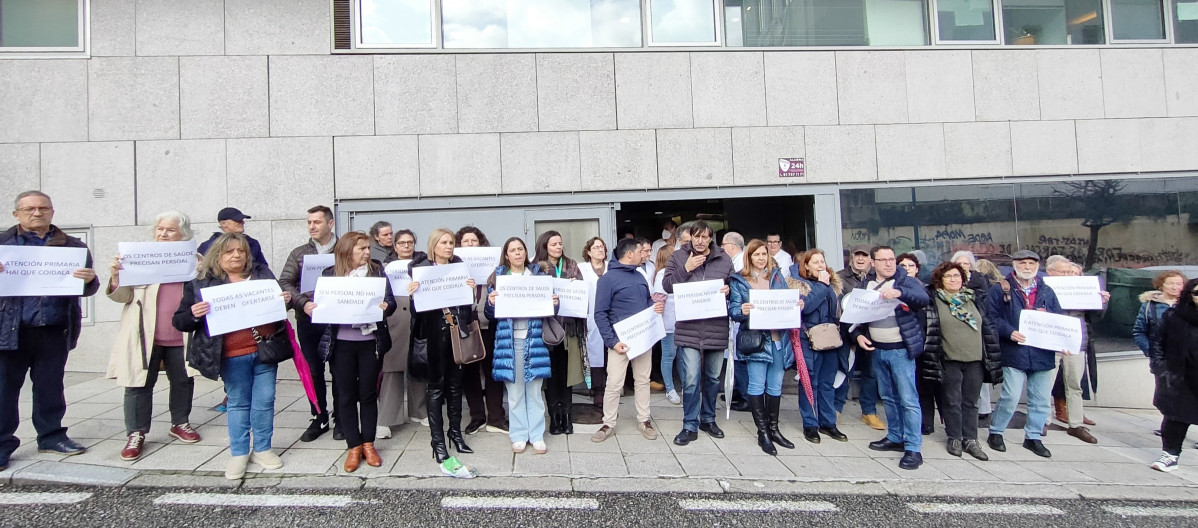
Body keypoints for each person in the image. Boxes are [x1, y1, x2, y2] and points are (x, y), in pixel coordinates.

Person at [173, 233, 291, 480]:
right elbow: (180, 321)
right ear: (217, 255)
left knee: (266, 400)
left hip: (264, 350)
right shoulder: (202, 283)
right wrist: (194, 313)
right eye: (229, 251)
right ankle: (238, 452)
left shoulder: (262, 275)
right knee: (238, 402)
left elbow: (279, 308)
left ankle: (262, 448)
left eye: (241, 251)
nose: (236, 255)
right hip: (231, 354)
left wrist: (285, 301)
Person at [0, 191, 99, 471]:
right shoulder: (3, 244)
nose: (37, 213)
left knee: (50, 387)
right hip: (11, 329)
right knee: (4, 390)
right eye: (29, 208)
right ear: (16, 214)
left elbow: (87, 288)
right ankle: (2, 444)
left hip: (54, 328)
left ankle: (51, 436)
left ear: (52, 212)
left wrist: (89, 280)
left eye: (43, 208)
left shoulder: (73, 246)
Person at [107, 211, 202, 461]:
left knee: (182, 380)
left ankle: (180, 423)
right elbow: (123, 297)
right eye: (160, 229)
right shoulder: (138, 257)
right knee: (138, 383)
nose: (163, 234)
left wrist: (203, 272)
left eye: (170, 230)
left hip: (179, 333)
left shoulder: (194, 260)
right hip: (145, 335)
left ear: (184, 234)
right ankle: (136, 432)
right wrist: (117, 277)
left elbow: (206, 291)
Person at [308, 232, 396, 472]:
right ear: (347, 251)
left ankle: (369, 443)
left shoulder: (376, 271)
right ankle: (353, 446)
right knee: (345, 396)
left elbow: (391, 302)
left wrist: (387, 306)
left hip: (370, 342)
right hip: (341, 345)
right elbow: (320, 305)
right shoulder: (330, 275)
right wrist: (315, 306)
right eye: (361, 249)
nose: (367, 252)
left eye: (368, 248)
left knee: (368, 394)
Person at [406, 228, 476, 478]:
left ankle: (455, 433)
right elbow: (417, 315)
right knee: (435, 388)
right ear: (434, 245)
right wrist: (414, 295)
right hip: (434, 336)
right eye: (444, 242)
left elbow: (467, 308)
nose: (449, 246)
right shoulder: (421, 270)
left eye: (451, 243)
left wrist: (470, 291)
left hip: (456, 334)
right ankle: (438, 443)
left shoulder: (459, 267)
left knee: (456, 386)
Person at [852, 246, 930, 471]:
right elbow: (853, 317)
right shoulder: (865, 284)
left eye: (891, 259)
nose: (888, 263)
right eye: (883, 260)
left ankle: (913, 448)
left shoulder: (905, 281)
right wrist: (857, 336)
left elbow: (923, 298)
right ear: (872, 263)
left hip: (900, 349)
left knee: (908, 398)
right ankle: (895, 436)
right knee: (888, 397)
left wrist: (900, 293)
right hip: (877, 349)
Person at [984, 250, 1063, 459]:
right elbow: (990, 317)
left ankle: (1033, 437)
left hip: (1042, 352)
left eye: (1031, 263)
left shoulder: (1047, 291)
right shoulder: (1001, 288)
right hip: (1014, 351)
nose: (1027, 267)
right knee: (1010, 396)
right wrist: (1008, 332)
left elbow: (1060, 319)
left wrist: (1050, 320)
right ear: (1015, 265)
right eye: (1023, 263)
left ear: (1037, 266)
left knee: (1041, 399)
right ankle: (996, 431)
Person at [919, 262, 1001, 461]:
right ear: (940, 280)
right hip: (949, 359)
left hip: (975, 359)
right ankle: (954, 437)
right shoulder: (934, 301)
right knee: (952, 401)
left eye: (956, 276)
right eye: (948, 276)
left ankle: (971, 439)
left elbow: (988, 327)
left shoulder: (975, 299)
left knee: (971, 402)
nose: (953, 279)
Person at [663, 220, 734, 446]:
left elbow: (736, 287)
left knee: (713, 378)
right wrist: (687, 268)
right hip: (689, 328)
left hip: (716, 326)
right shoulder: (678, 257)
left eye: (705, 237)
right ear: (690, 237)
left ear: (711, 238)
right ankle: (689, 425)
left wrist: (730, 290)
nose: (700, 241)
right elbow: (666, 285)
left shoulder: (724, 258)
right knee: (691, 379)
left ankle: (708, 419)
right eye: (696, 236)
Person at [592, 238, 665, 444]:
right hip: (619, 342)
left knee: (642, 381)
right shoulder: (607, 280)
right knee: (614, 384)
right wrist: (612, 342)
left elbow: (647, 301)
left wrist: (655, 306)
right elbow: (600, 314)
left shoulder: (641, 275)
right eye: (641, 251)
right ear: (630, 254)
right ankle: (608, 423)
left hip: (643, 339)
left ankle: (644, 419)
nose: (644, 254)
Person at [485, 237, 553, 454]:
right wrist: (490, 303)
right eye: (512, 250)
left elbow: (549, 311)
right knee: (514, 392)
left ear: (526, 252)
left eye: (520, 249)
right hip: (509, 342)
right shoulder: (498, 278)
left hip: (534, 341)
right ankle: (519, 434)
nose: (517, 253)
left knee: (534, 390)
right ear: (506, 255)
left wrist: (554, 303)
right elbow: (489, 315)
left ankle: (536, 434)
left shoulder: (538, 277)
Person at [278, 205, 339, 442]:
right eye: (309, 222)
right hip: (308, 319)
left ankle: (342, 417)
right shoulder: (299, 253)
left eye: (317, 222)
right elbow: (285, 281)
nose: (312, 226)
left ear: (330, 223)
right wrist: (302, 303)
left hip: (336, 319)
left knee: (339, 369)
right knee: (313, 370)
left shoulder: (344, 247)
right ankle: (319, 416)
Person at [729, 239, 795, 455]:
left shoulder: (776, 277)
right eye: (756, 254)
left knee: (775, 386)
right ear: (749, 257)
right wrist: (743, 311)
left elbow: (786, 303)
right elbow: (734, 311)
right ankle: (763, 432)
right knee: (757, 385)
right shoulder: (739, 280)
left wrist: (796, 305)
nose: (760, 258)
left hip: (778, 340)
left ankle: (774, 429)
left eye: (763, 254)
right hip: (757, 341)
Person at [790, 249, 848, 443]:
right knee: (809, 382)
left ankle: (828, 422)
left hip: (830, 339)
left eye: (822, 261)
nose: (820, 265)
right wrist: (822, 286)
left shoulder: (833, 286)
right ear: (806, 265)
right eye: (815, 262)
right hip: (808, 340)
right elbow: (807, 307)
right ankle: (810, 424)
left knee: (827, 383)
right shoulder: (797, 285)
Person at [533, 230, 586, 436]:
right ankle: (554, 418)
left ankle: (567, 417)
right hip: (545, 327)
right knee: (550, 375)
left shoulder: (572, 265)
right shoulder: (536, 266)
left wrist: (576, 289)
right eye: (554, 244)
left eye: (560, 243)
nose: (558, 247)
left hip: (568, 327)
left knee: (566, 374)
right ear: (545, 245)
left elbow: (581, 292)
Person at [1044, 255, 1100, 444]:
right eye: (1063, 272)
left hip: (1077, 341)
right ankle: (1042, 420)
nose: (1068, 275)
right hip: (1051, 341)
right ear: (1050, 272)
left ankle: (1075, 423)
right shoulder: (1043, 288)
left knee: (1075, 384)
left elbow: (1095, 317)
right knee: (1046, 381)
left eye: (1070, 272)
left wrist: (1102, 301)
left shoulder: (1080, 288)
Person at [378, 229, 428, 437]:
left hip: (419, 315)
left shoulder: (425, 263)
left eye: (409, 242)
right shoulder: (384, 266)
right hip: (394, 317)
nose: (406, 246)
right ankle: (387, 418)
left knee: (418, 362)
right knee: (392, 367)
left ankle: (419, 411)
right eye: (401, 243)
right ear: (395, 246)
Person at [457, 226, 506, 436]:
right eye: (466, 241)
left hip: (488, 325)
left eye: (473, 241)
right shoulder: (454, 268)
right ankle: (477, 417)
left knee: (492, 372)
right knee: (470, 373)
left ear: (481, 243)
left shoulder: (493, 265)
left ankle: (496, 417)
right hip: (467, 326)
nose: (470, 244)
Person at [1147, 278, 1198, 472]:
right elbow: (1158, 342)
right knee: (1176, 417)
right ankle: (1170, 455)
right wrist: (1161, 369)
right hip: (1180, 375)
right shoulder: (1174, 316)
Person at [836, 244, 883, 431]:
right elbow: (839, 307)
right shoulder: (839, 277)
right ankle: (836, 408)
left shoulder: (877, 279)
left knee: (870, 373)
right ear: (851, 257)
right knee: (844, 371)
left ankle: (869, 411)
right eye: (857, 256)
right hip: (848, 334)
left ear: (871, 260)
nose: (861, 259)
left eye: (865, 256)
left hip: (872, 333)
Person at [721, 231, 750, 412]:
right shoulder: (734, 262)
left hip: (740, 317)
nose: (722, 248)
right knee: (733, 355)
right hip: (733, 314)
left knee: (739, 357)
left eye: (723, 245)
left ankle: (746, 396)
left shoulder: (741, 264)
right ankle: (738, 391)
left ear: (731, 246)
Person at [579, 236, 609, 407]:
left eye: (602, 247)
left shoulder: (612, 267)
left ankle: (611, 390)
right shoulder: (582, 269)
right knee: (595, 356)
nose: (600, 249)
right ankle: (598, 391)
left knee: (611, 355)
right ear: (588, 252)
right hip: (591, 318)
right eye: (596, 247)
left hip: (611, 319)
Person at [196, 207, 269, 275]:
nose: (242, 223)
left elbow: (263, 267)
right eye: (237, 220)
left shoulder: (252, 243)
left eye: (241, 250)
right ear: (223, 224)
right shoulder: (208, 246)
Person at [652, 246, 681, 405]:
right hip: (668, 324)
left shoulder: (681, 273)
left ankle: (685, 388)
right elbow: (659, 300)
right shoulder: (662, 275)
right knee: (669, 357)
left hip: (682, 323)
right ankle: (670, 389)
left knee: (683, 358)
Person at [1133, 270, 1186, 357]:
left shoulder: (1189, 304)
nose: (1174, 287)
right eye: (1170, 283)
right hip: (1160, 358)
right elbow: (1139, 332)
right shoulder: (1149, 306)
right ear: (1161, 285)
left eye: (1179, 284)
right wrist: (1151, 352)